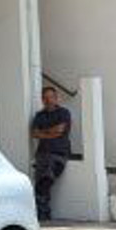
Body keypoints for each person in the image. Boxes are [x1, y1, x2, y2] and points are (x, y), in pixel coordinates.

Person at [29, 85, 73, 221]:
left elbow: (60, 130)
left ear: (56, 98)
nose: (48, 100)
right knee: (40, 183)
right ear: (42, 100)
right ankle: (44, 215)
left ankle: (43, 214)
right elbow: (34, 133)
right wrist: (51, 132)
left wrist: (44, 133)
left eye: (51, 97)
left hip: (59, 154)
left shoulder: (64, 113)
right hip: (42, 155)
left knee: (45, 181)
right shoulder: (39, 115)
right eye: (45, 98)